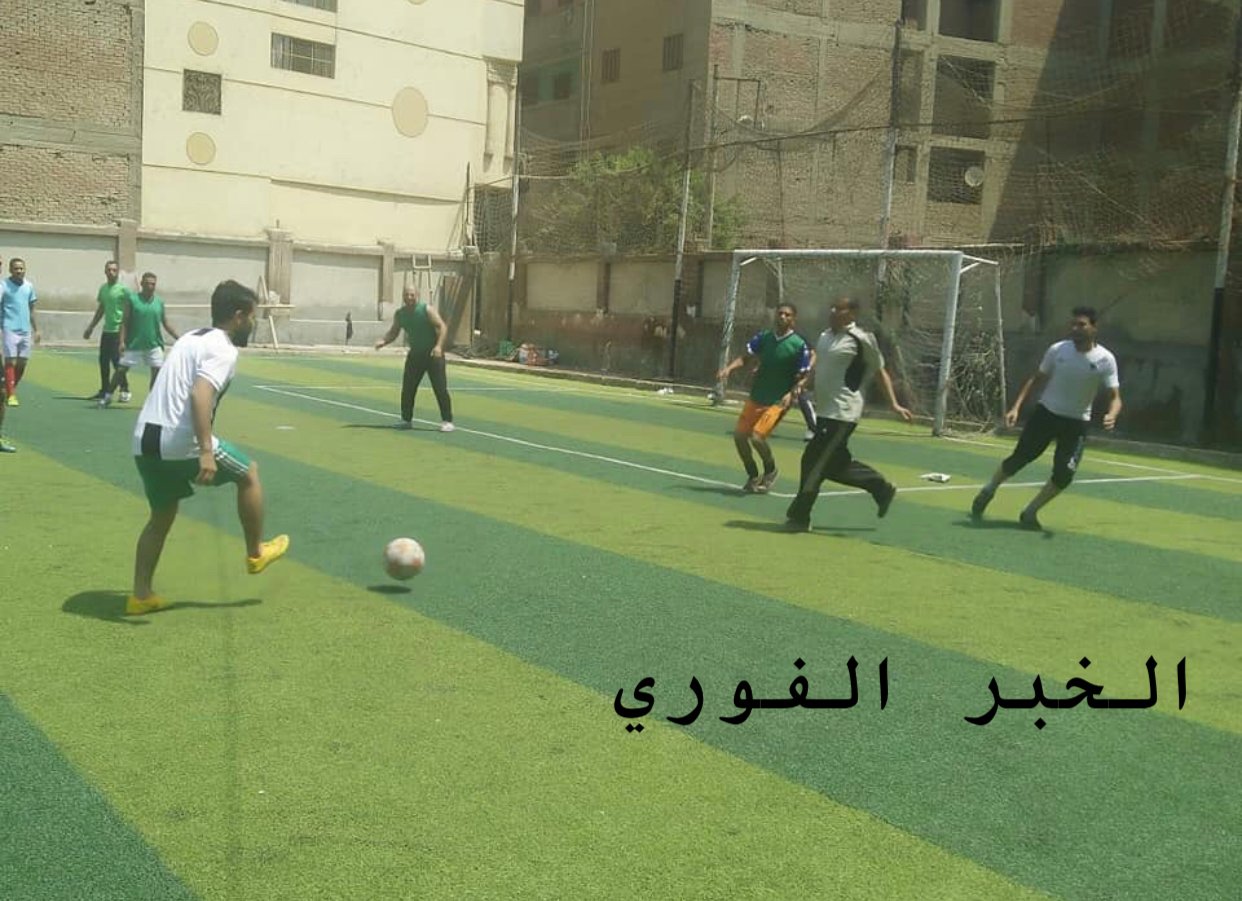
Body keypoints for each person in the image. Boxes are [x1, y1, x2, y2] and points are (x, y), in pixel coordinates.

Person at [127, 280, 289, 615]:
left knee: (160, 517)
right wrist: (204, 451)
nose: (254, 323)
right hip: (179, 441)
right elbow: (200, 394)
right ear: (238, 316)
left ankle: (140, 596)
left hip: (144, 440)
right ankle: (256, 553)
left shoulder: (190, 338)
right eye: (252, 317)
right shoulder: (223, 349)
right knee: (249, 473)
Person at [971, 306, 1121, 530]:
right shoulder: (1058, 350)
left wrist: (1112, 414)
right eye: (1073, 324)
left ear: (1094, 328)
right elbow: (1036, 379)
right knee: (1020, 458)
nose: (1076, 329)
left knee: (1064, 474)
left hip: (1076, 424)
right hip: (1046, 415)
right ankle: (989, 489)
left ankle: (1030, 512)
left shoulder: (1106, 360)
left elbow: (1115, 397)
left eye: (1082, 325)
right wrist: (1016, 408)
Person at [785, 296, 913, 530]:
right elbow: (819, 366)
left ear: (852, 313)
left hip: (843, 412)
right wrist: (805, 382)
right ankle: (881, 488)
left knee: (814, 461)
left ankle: (799, 516)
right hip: (825, 411)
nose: (833, 311)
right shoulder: (825, 336)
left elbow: (880, 371)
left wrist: (894, 404)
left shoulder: (861, 339)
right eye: (832, 307)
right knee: (835, 465)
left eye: (839, 309)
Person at [717, 303, 812, 492]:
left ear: (793, 319)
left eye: (787, 315)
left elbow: (804, 376)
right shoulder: (764, 337)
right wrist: (728, 369)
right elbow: (746, 357)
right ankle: (753, 475)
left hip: (778, 401)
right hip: (757, 396)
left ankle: (770, 471)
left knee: (757, 438)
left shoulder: (799, 345)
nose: (783, 317)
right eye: (780, 313)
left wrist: (791, 393)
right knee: (739, 436)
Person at [374, 285, 455, 432]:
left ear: (417, 295)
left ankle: (447, 420)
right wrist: (383, 341)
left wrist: (438, 347)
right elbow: (394, 332)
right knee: (408, 389)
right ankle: (406, 419)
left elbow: (442, 327)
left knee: (440, 388)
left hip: (433, 356)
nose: (409, 298)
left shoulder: (426, 310)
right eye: (406, 295)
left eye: (412, 295)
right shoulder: (400, 314)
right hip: (415, 355)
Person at [100, 272, 179, 407]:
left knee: (157, 372)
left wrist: (179, 338)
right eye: (147, 283)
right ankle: (108, 396)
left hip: (154, 344)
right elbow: (125, 322)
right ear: (142, 284)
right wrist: (122, 341)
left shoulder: (159, 302)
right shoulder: (132, 299)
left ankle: (152, 402)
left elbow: (165, 323)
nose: (150, 286)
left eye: (153, 284)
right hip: (134, 344)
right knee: (121, 370)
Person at [83, 260, 132, 402]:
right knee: (103, 361)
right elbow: (101, 309)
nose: (111, 272)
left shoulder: (123, 290)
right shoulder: (103, 289)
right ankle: (104, 390)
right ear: (105, 271)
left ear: (118, 272)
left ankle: (124, 389)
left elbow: (131, 310)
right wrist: (91, 327)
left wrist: (127, 332)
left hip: (119, 331)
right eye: (109, 270)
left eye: (114, 270)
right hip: (107, 330)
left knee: (117, 361)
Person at [1, 257, 40, 409]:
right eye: (16, 268)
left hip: (25, 330)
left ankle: (8, 388)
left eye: (21, 268)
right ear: (10, 270)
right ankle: (11, 394)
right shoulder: (3, 285)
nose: (19, 271)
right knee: (10, 360)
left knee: (22, 362)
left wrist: (36, 329)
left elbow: (32, 309)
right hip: (9, 328)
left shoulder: (29, 286)